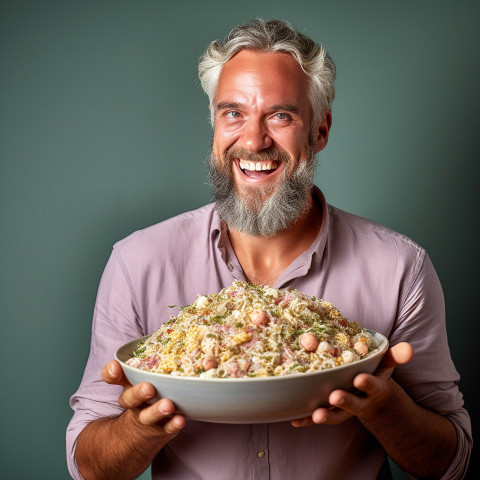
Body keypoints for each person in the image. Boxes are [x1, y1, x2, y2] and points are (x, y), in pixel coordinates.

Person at [66, 19, 472, 480]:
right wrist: (140, 429)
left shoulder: (401, 267)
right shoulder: (137, 262)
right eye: (233, 113)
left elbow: (449, 462)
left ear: (319, 131)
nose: (254, 140)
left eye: (281, 115)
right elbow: (88, 466)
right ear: (215, 126)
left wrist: (384, 408)